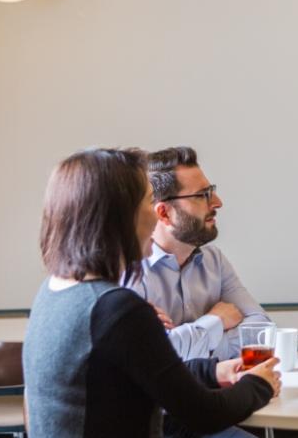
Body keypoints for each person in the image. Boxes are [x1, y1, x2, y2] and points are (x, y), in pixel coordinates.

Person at [23, 148, 281, 438]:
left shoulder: (54, 291)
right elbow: (205, 414)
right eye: (148, 201)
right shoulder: (117, 309)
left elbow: (148, 372)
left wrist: (212, 372)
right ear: (120, 215)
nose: (156, 215)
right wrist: (260, 383)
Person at [128, 146, 270, 362]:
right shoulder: (130, 271)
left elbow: (261, 331)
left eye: (211, 190)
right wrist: (215, 321)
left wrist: (185, 345)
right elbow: (148, 357)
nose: (217, 202)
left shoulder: (215, 261)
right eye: (203, 195)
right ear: (164, 213)